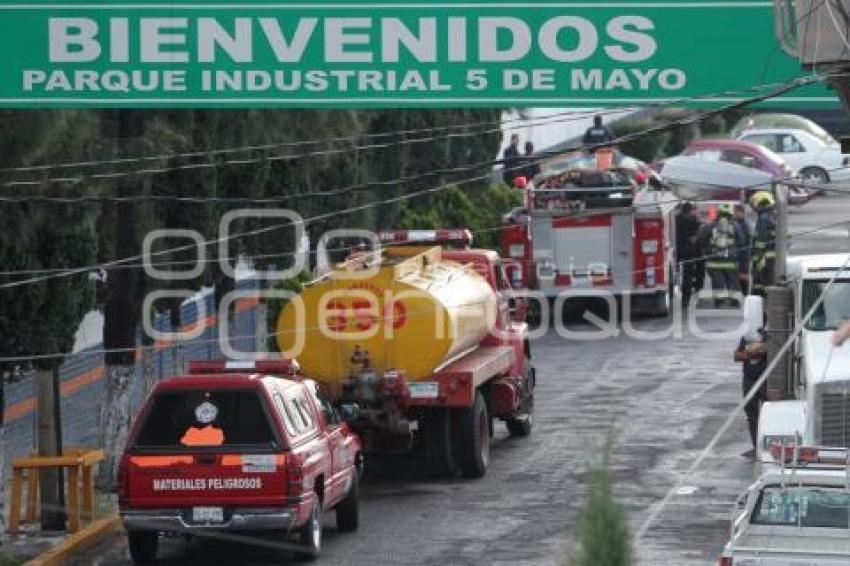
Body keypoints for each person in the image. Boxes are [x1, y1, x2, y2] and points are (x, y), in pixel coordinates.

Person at [699, 203, 743, 307]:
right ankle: (735, 301)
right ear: (730, 214)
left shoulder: (710, 226)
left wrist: (706, 250)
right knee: (732, 281)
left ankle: (719, 302)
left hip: (714, 261)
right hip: (730, 261)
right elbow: (742, 240)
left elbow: (702, 240)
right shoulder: (735, 226)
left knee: (717, 282)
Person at [734, 329, 767, 449]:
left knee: (767, 414)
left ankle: (766, 444)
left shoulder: (769, 335)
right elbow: (737, 355)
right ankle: (756, 445)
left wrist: (755, 350)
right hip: (749, 380)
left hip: (766, 379)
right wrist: (754, 352)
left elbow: (770, 350)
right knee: (752, 414)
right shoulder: (748, 336)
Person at [750, 191, 777, 297]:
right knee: (760, 284)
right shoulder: (774, 215)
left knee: (766, 284)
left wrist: (759, 258)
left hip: (764, 258)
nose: (753, 209)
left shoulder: (764, 218)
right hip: (771, 258)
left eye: (754, 205)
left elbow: (760, 241)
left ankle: (765, 302)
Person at [675, 202, 702, 308]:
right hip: (688, 251)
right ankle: (685, 300)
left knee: (678, 273)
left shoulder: (676, 218)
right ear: (690, 210)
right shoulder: (691, 219)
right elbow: (696, 232)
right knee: (688, 275)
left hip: (677, 250)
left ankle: (677, 291)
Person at [734, 204, 752, 294]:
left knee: (743, 274)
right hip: (739, 253)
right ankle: (740, 291)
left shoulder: (745, 224)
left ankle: (744, 292)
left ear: (742, 213)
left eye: (737, 212)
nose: (735, 214)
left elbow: (746, 239)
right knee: (739, 274)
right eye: (735, 212)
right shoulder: (736, 223)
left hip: (744, 253)